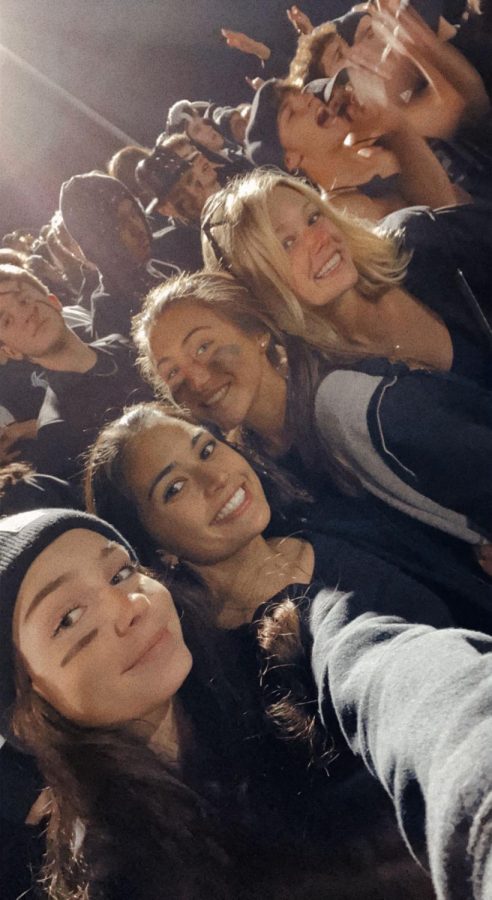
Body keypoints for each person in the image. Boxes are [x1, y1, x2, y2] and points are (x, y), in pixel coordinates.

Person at [1, 507, 442, 900]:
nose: (129, 604)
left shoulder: (283, 649)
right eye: (69, 618)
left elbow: (391, 672)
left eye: (120, 573)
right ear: (22, 712)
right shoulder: (120, 875)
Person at [132, 269, 492, 559]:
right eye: (173, 374)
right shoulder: (251, 472)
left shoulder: (359, 407)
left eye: (203, 346)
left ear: (257, 332)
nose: (195, 379)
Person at [200, 169, 492, 388]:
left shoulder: (418, 238)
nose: (319, 240)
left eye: (314, 218)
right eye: (287, 244)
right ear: (260, 288)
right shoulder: (335, 391)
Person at [0, 264, 151, 484]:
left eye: (24, 300)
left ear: (54, 302)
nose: (26, 315)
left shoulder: (125, 345)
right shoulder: (56, 432)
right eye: (7, 321)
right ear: (11, 351)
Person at [244, 71, 461, 219]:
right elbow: (451, 219)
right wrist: (395, 124)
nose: (308, 100)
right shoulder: (346, 213)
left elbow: (454, 108)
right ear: (291, 159)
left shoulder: (372, 143)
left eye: (301, 94)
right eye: (290, 114)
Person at [59, 171, 177, 339]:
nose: (137, 229)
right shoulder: (109, 312)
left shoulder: (178, 242)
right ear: (97, 240)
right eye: (119, 225)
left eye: (134, 214)